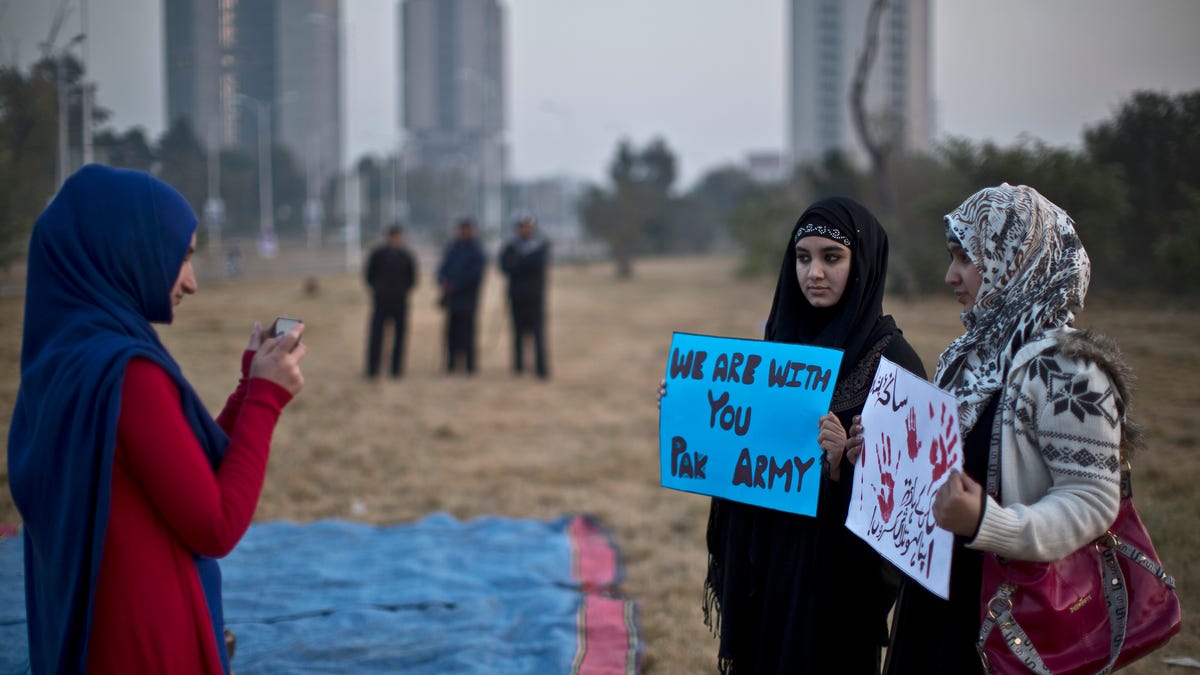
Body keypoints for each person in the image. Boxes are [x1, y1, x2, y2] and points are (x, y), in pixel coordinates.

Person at [6, 164, 307, 674]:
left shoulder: (65, 360)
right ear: (125, 248)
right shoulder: (127, 375)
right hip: (148, 643)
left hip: (91, 635)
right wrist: (265, 402)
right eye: (182, 256)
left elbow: (173, 471)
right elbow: (215, 525)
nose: (190, 282)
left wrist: (247, 389)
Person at [662, 197, 926, 674]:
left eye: (832, 257)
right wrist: (690, 408)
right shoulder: (781, 346)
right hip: (770, 575)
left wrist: (839, 467)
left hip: (833, 597)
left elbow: (901, 517)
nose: (814, 273)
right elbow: (741, 451)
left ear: (863, 263)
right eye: (803, 258)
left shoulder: (894, 363)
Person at [883, 184, 1129, 673]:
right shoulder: (973, 355)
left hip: (1006, 618)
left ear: (1014, 260)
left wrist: (986, 523)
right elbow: (949, 460)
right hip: (939, 601)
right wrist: (882, 449)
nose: (950, 275)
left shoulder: (1068, 370)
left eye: (964, 259)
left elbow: (1093, 501)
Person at [499, 214, 551, 378]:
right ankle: (518, 367)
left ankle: (541, 368)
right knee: (517, 333)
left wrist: (518, 263)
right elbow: (504, 266)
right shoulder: (511, 246)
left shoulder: (540, 246)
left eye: (528, 226)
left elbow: (534, 266)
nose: (526, 229)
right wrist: (520, 264)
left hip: (535, 297)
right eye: (522, 226)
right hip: (516, 296)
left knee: (538, 333)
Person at [364, 224, 418, 379]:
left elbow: (412, 279)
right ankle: (372, 370)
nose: (395, 239)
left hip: (400, 302)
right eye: (393, 236)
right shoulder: (378, 254)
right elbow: (369, 276)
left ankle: (396, 370)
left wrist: (402, 290)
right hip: (380, 301)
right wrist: (378, 289)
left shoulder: (406, 256)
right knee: (376, 337)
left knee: (400, 337)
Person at [436, 218, 486, 374]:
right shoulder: (453, 248)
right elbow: (442, 269)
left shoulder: (477, 251)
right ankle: (451, 364)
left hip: (468, 299)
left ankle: (470, 366)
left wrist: (455, 286)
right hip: (452, 299)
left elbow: (475, 276)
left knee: (468, 333)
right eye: (462, 229)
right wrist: (443, 281)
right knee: (451, 332)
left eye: (467, 230)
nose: (464, 233)